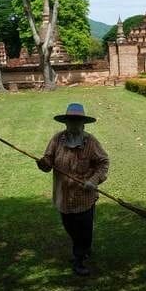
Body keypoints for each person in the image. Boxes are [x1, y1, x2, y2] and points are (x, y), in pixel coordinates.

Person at [37, 103, 109, 276]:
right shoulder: (57, 140)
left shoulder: (90, 142)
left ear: (83, 124)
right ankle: (83, 248)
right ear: (66, 123)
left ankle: (79, 259)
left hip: (85, 196)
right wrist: (43, 164)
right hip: (63, 196)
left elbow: (103, 162)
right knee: (70, 227)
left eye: (77, 121)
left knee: (84, 229)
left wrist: (94, 180)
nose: (74, 124)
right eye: (71, 121)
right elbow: (48, 162)